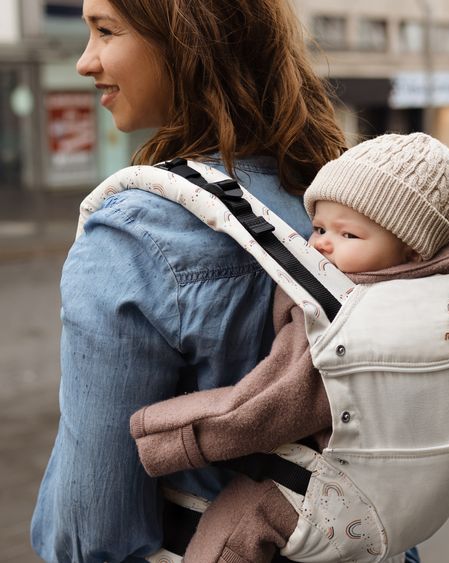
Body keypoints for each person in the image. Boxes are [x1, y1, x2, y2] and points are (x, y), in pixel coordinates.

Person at [30, 1, 348, 561]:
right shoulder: (340, 201)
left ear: (187, 40)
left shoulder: (133, 235)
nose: (85, 61)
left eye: (106, 31)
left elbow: (93, 530)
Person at [129, 132, 449, 563]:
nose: (322, 244)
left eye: (348, 235)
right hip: (416, 500)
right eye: (320, 227)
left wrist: (160, 435)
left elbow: (263, 407)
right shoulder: (446, 298)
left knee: (239, 519)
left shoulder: (344, 325)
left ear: (410, 246)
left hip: (349, 506)